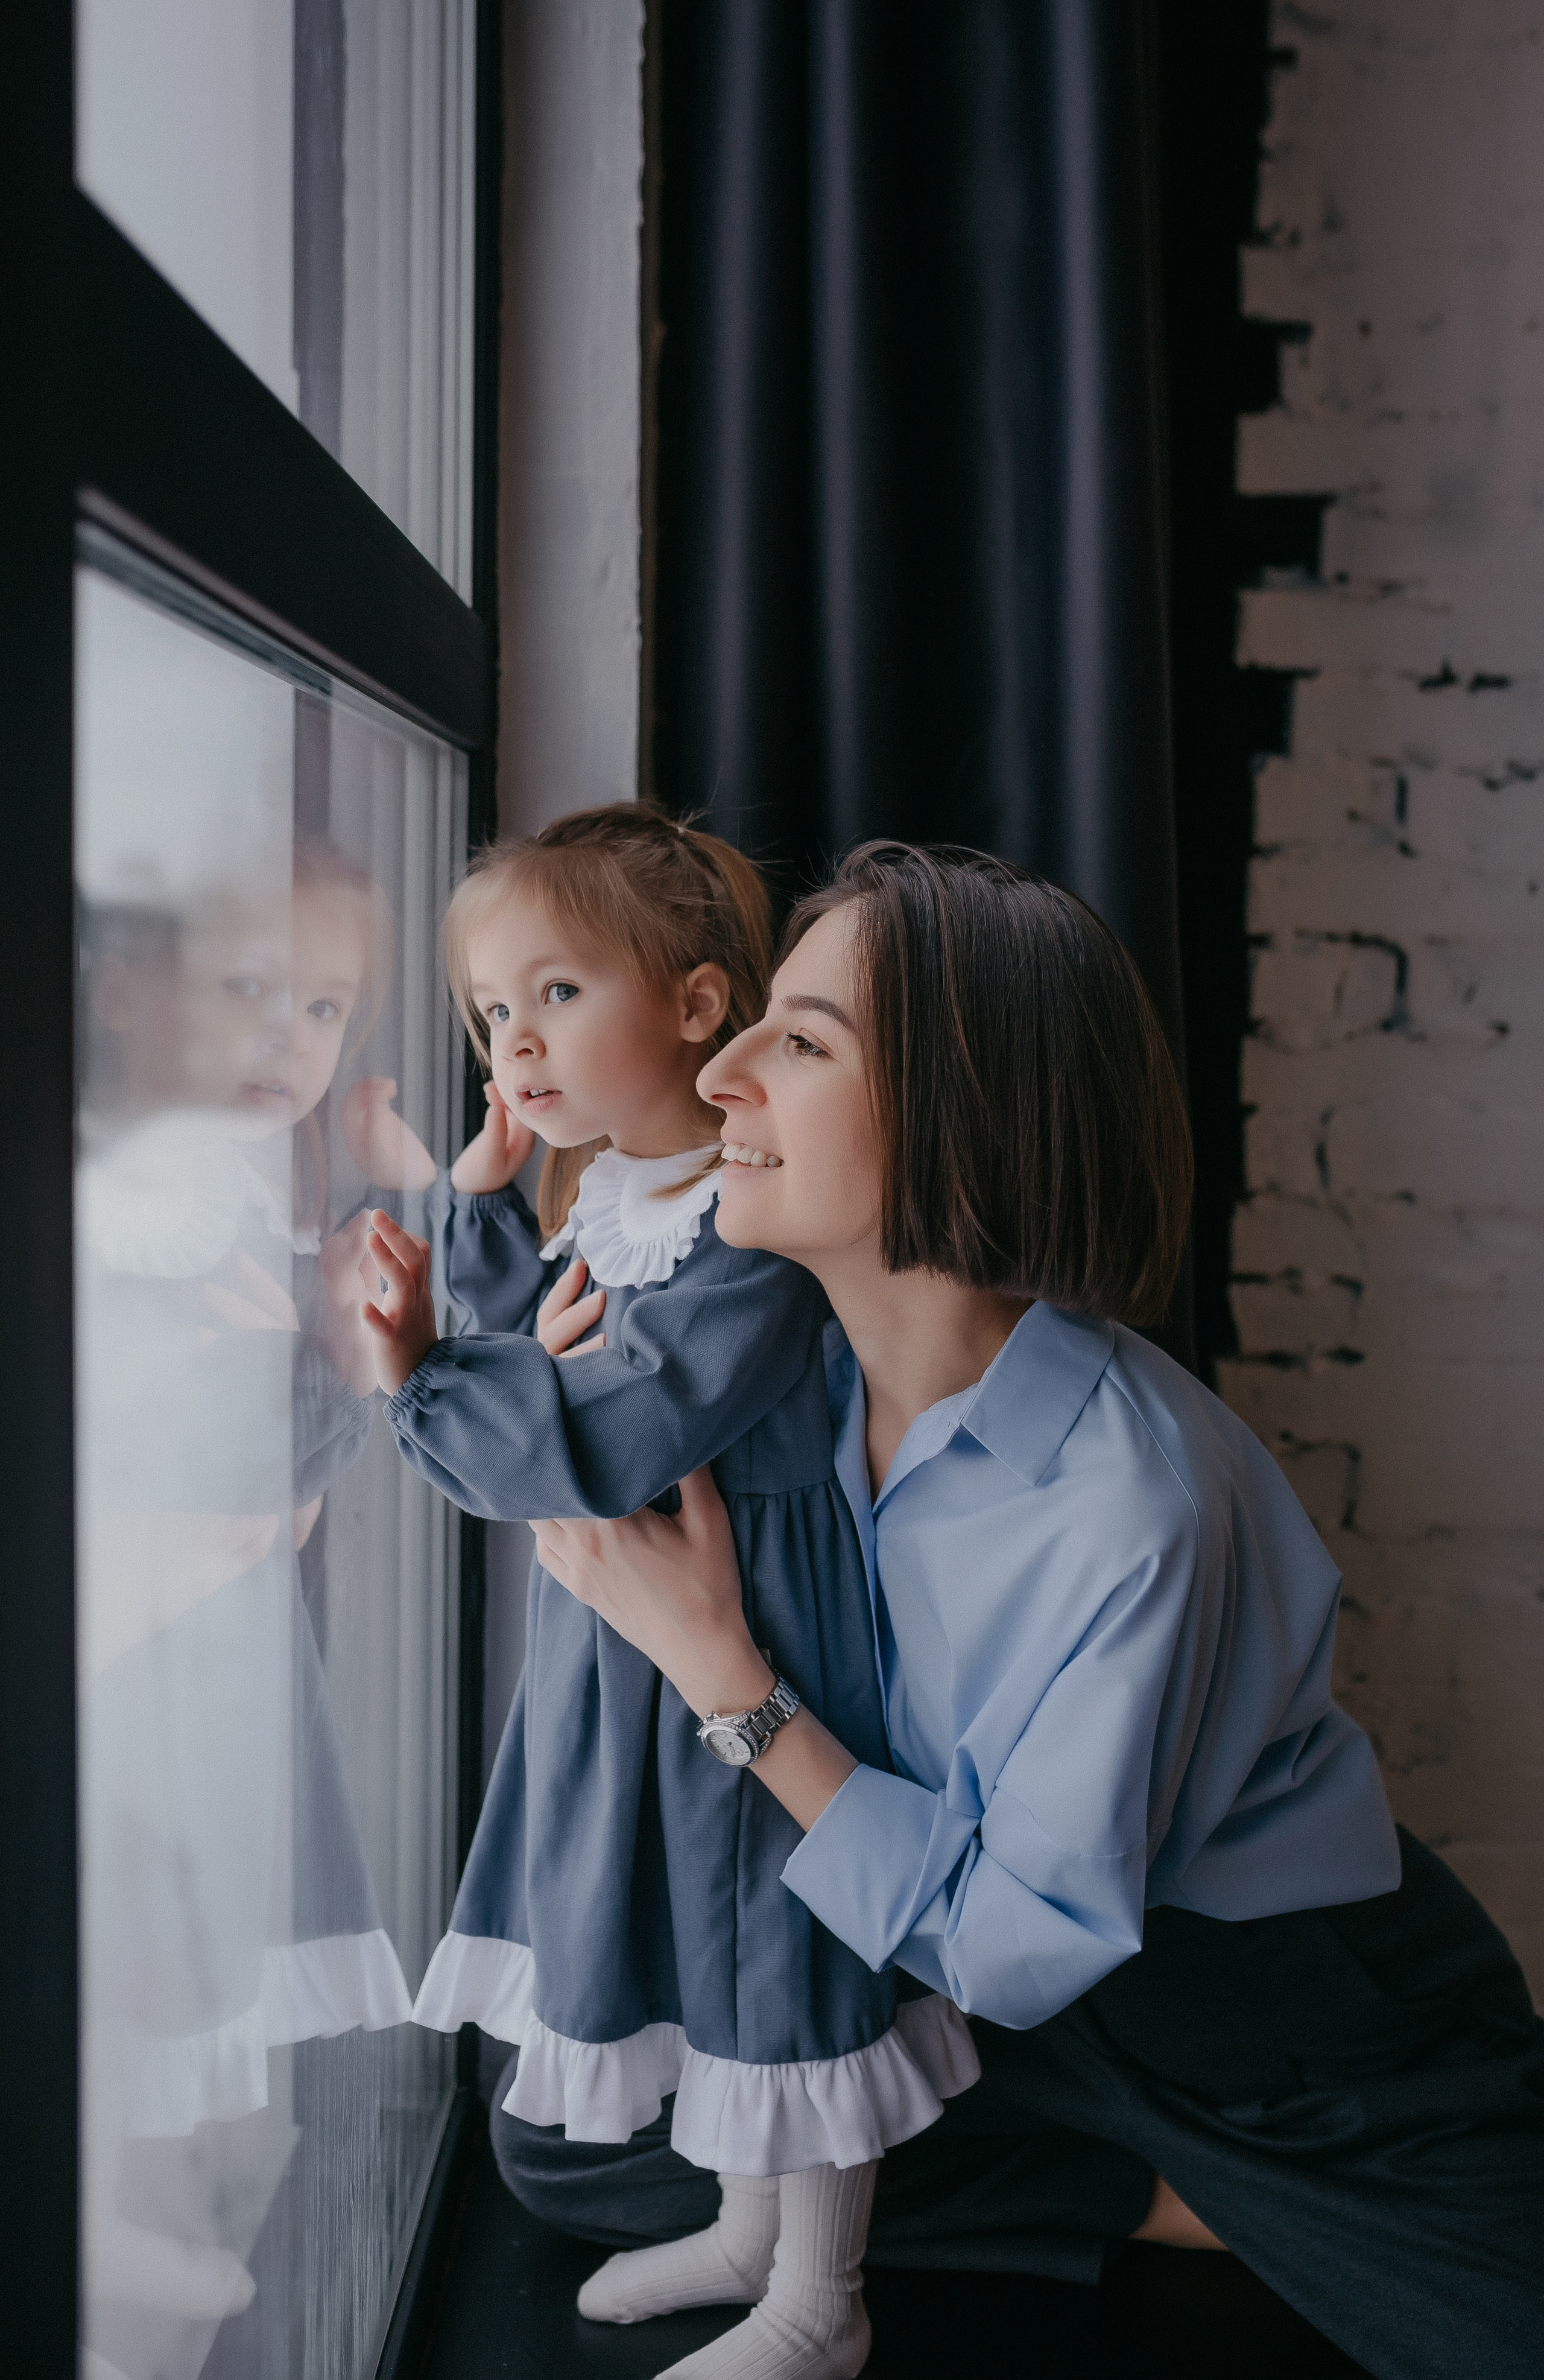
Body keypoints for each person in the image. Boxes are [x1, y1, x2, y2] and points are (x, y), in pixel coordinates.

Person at [524, 842, 1544, 2380]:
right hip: (950, 1950)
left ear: (963, 1112)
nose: (722, 1070)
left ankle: (1243, 2193)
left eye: (798, 1042)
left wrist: (718, 1673)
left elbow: (1014, 1939)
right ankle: (1157, 2193)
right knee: (568, 2147)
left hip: (1262, 2011)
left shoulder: (1135, 1503)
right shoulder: (774, 1361)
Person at [364, 807, 977, 2380]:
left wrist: (424, 1385)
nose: (515, 1042)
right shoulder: (616, 1198)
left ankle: (819, 2294)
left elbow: (616, 1415)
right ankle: (744, 2224)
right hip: (630, 1644)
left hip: (756, 1623)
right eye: (493, 1013)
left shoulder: (751, 1215)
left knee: (779, 1939)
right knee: (688, 1931)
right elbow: (553, 1345)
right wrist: (484, 1209)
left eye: (555, 994)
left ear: (699, 1007)